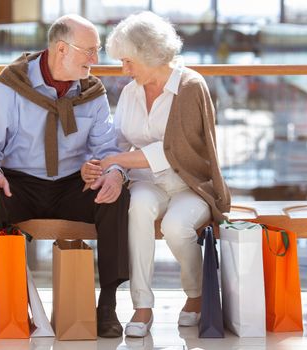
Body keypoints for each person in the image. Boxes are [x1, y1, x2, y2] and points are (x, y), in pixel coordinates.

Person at [0, 14, 129, 340]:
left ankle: (107, 305)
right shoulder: (12, 84)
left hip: (73, 183)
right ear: (61, 50)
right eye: (89, 51)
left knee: (116, 196)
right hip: (19, 182)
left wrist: (113, 172)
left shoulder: (92, 92)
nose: (95, 61)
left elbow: (107, 147)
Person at [82, 12, 231, 338]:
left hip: (190, 184)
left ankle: (196, 296)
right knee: (136, 209)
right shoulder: (131, 92)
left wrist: (116, 159)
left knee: (176, 227)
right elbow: (118, 142)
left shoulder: (190, 87)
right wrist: (114, 171)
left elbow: (176, 152)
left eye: (128, 61)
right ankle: (142, 306)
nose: (124, 69)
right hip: (147, 181)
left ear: (149, 54)